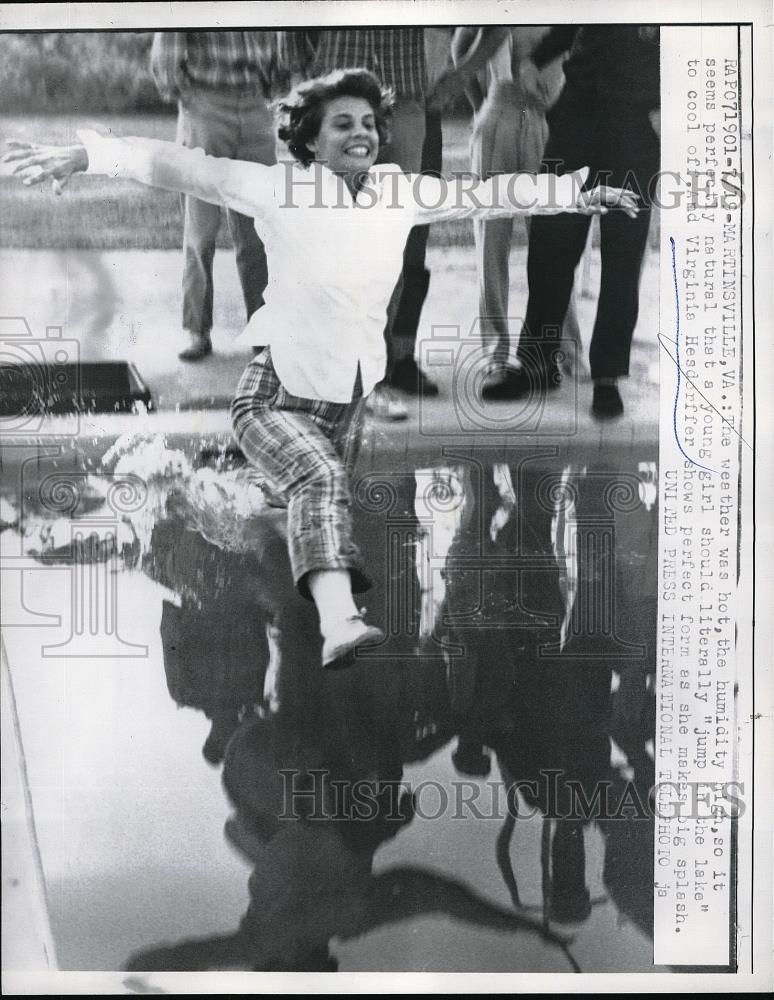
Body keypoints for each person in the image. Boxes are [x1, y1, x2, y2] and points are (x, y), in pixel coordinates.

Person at [4, 68, 638, 668]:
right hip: (272, 396)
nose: (361, 132)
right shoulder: (278, 189)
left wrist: (578, 194)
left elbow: (485, 196)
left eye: (368, 122)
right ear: (309, 137)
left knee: (286, 501)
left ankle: (206, 500)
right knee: (318, 481)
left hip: (345, 406)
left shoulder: (400, 193)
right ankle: (339, 623)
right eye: (342, 123)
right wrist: (88, 155)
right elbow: (182, 166)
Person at [276, 29, 506, 418]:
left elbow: (497, 17)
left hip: (402, 103)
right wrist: (303, 84)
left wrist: (463, 72)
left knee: (392, 242)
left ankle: (376, 374)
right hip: (335, 102)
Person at [481, 26, 660, 418]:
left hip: (637, 127)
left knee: (622, 255)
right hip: (577, 116)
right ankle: (536, 365)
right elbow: (573, 22)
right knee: (549, 245)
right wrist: (531, 59)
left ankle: (607, 378)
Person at [451, 26, 585, 384]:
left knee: (553, 245)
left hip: (545, 122)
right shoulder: (492, 11)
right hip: (498, 116)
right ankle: (494, 354)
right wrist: (481, 107)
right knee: (491, 245)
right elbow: (460, 46)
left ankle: (565, 348)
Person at [150, 31, 277, 361]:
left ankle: (264, 333)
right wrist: (189, 98)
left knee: (259, 232)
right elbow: (169, 41)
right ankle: (197, 331)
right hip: (206, 102)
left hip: (256, 106)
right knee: (200, 230)